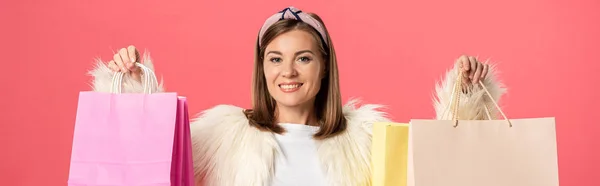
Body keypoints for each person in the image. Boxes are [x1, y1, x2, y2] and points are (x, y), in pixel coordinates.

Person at [86, 6, 506, 186]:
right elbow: (154, 163)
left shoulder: (367, 142)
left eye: (302, 58)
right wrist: (132, 88)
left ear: (324, 69)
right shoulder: (221, 138)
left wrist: (467, 98)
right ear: (262, 68)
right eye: (274, 59)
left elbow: (435, 172)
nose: (287, 72)